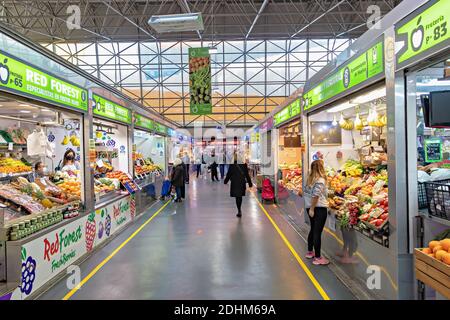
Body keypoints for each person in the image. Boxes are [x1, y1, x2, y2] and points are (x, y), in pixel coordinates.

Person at [303, 159, 330, 266]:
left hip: (310, 207)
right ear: (321, 167)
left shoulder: (309, 179)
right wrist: (313, 209)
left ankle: (310, 252)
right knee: (317, 232)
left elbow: (306, 193)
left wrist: (310, 208)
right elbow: (316, 195)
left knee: (313, 229)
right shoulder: (320, 180)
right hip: (318, 208)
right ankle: (318, 257)